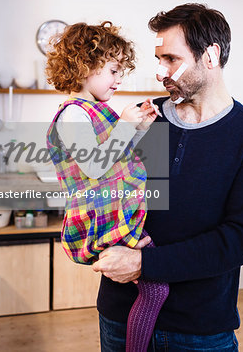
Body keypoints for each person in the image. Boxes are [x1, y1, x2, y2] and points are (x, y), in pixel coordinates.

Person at [93, 4, 243, 351]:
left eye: (172, 60)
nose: (161, 71)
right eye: (159, 59)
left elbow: (236, 241)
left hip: (199, 327)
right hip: (119, 312)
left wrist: (142, 263)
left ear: (210, 55)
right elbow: (102, 189)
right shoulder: (144, 119)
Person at [45, 21, 169, 352]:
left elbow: (115, 156)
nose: (119, 79)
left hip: (112, 211)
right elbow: (95, 165)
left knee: (150, 289)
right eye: (113, 70)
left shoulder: (94, 111)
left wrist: (138, 127)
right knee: (156, 290)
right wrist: (126, 126)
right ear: (85, 66)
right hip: (102, 217)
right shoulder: (73, 113)